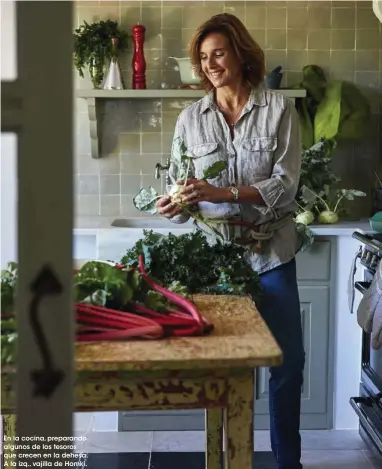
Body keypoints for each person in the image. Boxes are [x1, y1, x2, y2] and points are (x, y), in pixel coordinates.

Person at [156, 13, 305, 469]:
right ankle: (222, 459)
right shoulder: (190, 120)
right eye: (203, 58)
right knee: (221, 367)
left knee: (287, 365)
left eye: (218, 53)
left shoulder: (279, 110)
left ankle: (287, 463)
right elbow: (185, 190)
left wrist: (222, 192)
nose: (211, 64)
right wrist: (175, 205)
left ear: (240, 54)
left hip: (271, 255)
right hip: (217, 262)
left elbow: (286, 186)